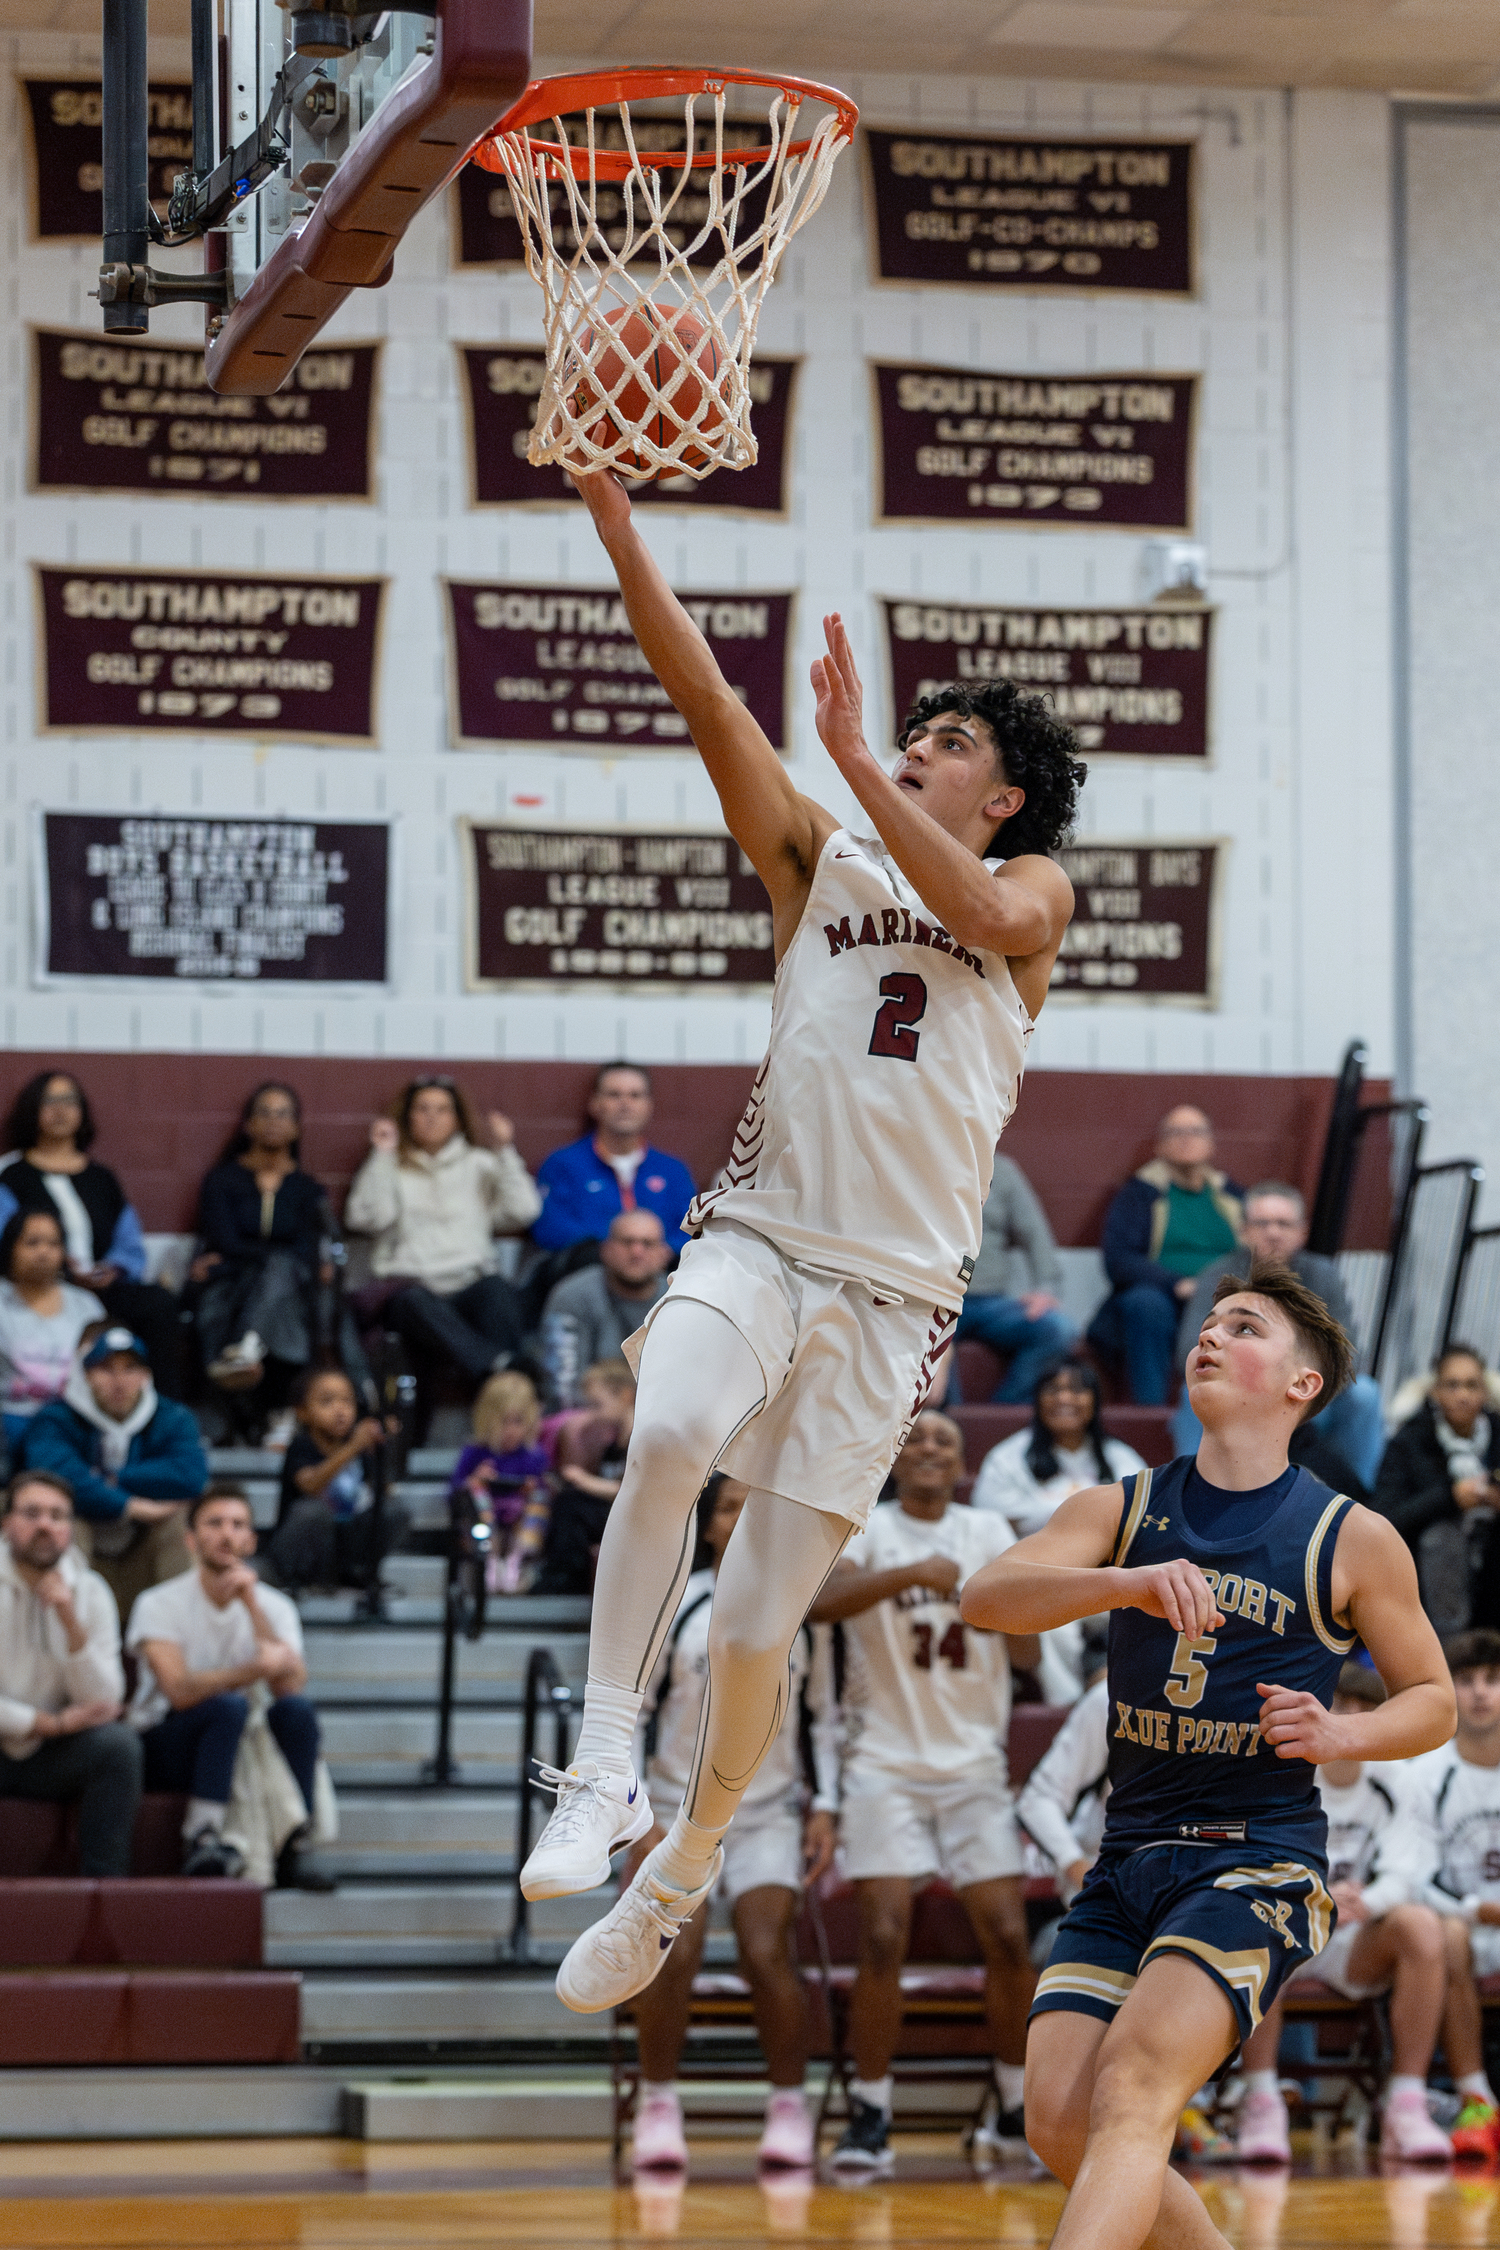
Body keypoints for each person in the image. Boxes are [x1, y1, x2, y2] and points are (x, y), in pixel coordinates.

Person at [517, 466, 1081, 2023]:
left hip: (894, 1296)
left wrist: (858, 763)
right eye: (909, 735)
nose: (913, 747)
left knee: (760, 1623)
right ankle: (605, 1752)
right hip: (761, 1232)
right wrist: (618, 527)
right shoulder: (816, 857)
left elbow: (985, 906)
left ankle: (681, 1869)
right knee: (675, 1426)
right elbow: (703, 694)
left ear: (1005, 788)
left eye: (947, 743)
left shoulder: (1030, 889)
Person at [959, 1258, 1454, 2250]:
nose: (1212, 1336)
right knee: (1060, 2120)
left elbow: (1435, 1700)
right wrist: (1121, 1586)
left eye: (1245, 1326)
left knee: (1136, 2087)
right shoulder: (1123, 1506)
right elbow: (986, 1596)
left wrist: (1341, 1732)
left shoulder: (1349, 1537)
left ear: (1302, 1383)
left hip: (1257, 1856)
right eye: (1209, 1323)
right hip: (1127, 1856)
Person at [807, 1411, 1041, 2171]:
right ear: (895, 1458)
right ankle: (870, 2116)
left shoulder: (989, 1530)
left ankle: (1017, 2109)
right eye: (916, 1439)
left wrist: (990, 1593)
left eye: (945, 1439)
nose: (931, 1447)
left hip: (974, 1762)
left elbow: (1030, 1646)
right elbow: (817, 1602)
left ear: (964, 1460)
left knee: (1007, 1933)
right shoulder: (867, 1527)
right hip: (884, 1760)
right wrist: (914, 1573)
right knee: (881, 1938)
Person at [625, 1474, 839, 2176]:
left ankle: (787, 2106)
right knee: (673, 1955)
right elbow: (629, 1712)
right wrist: (638, 1816)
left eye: (757, 1508)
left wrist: (827, 1805)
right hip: (675, 1815)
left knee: (764, 1949)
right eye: (729, 1506)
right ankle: (656, 2103)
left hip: (768, 1813)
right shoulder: (675, 1606)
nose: (743, 1518)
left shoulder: (801, 1609)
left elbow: (823, 1719)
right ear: (709, 1524)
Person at [1232, 1663, 1451, 2163]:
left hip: (1355, 1935)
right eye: (1337, 1704)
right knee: (1257, 1925)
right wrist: (1321, 1899)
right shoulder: (1283, 1767)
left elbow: (1409, 1867)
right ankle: (1261, 2099)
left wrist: (1369, 1901)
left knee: (1421, 1926)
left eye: (1361, 1709)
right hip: (1289, 1924)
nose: (1346, 1717)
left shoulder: (1397, 1776)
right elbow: (1257, 1859)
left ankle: (1406, 2102)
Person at [127, 1484, 330, 1888]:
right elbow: (180, 1692)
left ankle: (295, 1843)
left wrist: (251, 1606)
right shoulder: (158, 1603)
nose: (226, 1534)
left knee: (296, 1714)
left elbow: (291, 1686)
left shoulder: (274, 1606)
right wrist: (252, 1669)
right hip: (166, 1739)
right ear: (191, 1539)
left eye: (238, 1525)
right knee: (227, 1708)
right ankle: (202, 1836)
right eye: (214, 1523)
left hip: (242, 1735)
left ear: (251, 1540)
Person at [1171, 1183, 1386, 1493]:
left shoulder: (1323, 1275)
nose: (1273, 1233)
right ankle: (1190, 1492)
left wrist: (1296, 1384)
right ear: (1244, 1231)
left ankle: (1359, 1500)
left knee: (1364, 1393)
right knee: (1192, 1394)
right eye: (1263, 1223)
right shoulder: (1218, 1275)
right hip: (1238, 1390)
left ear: (1302, 1232)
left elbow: (1348, 1351)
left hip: (1307, 1394)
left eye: (1284, 1224)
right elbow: (1187, 1351)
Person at [343, 1076, 542, 1391]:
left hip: (466, 1287)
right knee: (412, 1301)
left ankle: (502, 1388)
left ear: (457, 1118)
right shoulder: (389, 1165)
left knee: (497, 1291)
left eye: (442, 1109)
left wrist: (504, 1151)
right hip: (411, 1292)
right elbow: (367, 1218)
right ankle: (502, 1369)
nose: (432, 1117)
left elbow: (524, 1210)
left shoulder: (480, 1164)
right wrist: (382, 1155)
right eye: (422, 1109)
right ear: (407, 1117)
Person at [0, 1070, 185, 1397]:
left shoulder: (102, 1178)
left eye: (69, 1101)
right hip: (45, 1285)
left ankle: (164, 1412)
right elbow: (7, 1242)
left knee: (159, 1305)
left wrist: (112, 1269)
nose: (60, 1110)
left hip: (103, 1285)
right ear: (32, 1111)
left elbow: (130, 1244)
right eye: (50, 1101)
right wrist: (59, 1266)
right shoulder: (12, 1176)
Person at [971, 1360, 1146, 1702]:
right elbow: (991, 1526)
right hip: (1042, 1585)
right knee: (1051, 1619)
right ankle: (1063, 1705)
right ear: (1037, 1399)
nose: (1064, 1397)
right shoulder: (1008, 1459)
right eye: (1053, 1390)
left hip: (1111, 1585)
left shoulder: (1121, 1458)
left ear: (1095, 1400)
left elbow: (1144, 1520)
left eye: (1077, 1389)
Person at [0, 1469, 142, 1876]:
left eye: (57, 1516)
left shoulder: (91, 1592)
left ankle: (106, 1896)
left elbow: (104, 1700)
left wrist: (69, 1620)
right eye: (31, 1513)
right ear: (7, 1523)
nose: (45, 1525)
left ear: (71, 1528)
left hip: (52, 1757)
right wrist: (48, 1723)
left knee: (118, 1748)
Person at [23, 1328, 208, 1619]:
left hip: (141, 1550)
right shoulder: (55, 1418)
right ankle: (65, 1632)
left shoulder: (172, 1417)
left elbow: (191, 1475)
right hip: (83, 1541)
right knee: (57, 1516)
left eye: (130, 1368)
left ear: (145, 1376)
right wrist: (130, 1505)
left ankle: (175, 1638)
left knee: (177, 1521)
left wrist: (114, 1477)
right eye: (106, 1369)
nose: (119, 1381)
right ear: (85, 1375)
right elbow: (56, 1479)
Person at [1403, 1628, 1500, 2159]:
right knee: (1447, 1934)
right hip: (1466, 1924)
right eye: (1466, 1681)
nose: (1481, 1693)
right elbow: (1416, 1874)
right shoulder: (1425, 1774)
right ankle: (1476, 2099)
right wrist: (1475, 1909)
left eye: (1493, 1680)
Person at [1087, 1107, 1245, 1405]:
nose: (1186, 1140)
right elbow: (1119, 1260)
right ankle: (1150, 1411)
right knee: (1144, 1304)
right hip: (1165, 1298)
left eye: (1196, 1132)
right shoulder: (1139, 1193)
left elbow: (1257, 1251)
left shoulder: (1232, 1196)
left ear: (1211, 1144)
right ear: (1160, 1145)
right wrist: (1177, 1284)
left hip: (1226, 1295)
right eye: (1176, 1133)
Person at [193, 1084, 326, 1396]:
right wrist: (275, 1255)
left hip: (290, 1282)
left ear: (295, 1128)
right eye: (264, 1113)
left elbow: (308, 1249)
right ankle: (269, 1404)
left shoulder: (308, 1189)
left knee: (287, 1280)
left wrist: (274, 1257)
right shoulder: (222, 1180)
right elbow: (225, 1241)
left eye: (283, 1114)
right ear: (248, 1124)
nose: (273, 1121)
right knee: (279, 1267)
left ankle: (247, 1350)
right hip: (233, 1277)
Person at [1374, 1344, 1500, 1636]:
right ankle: (1448, 1649)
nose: (1463, 1395)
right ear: (1435, 1392)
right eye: (1452, 1385)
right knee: (1443, 1536)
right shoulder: (1409, 1441)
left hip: (1489, 1557)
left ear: (1484, 1392)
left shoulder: (1497, 1435)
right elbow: (1383, 1519)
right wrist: (1452, 1498)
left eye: (1472, 1385)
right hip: (1424, 1563)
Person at [268, 1367, 408, 1595]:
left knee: (395, 1510)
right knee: (313, 1511)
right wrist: (353, 1447)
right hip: (298, 1550)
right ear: (302, 1412)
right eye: (327, 1402)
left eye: (347, 1401)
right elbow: (310, 1485)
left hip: (343, 1548)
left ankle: (359, 1574)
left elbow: (384, 1493)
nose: (340, 1409)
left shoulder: (361, 1449)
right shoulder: (301, 1446)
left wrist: (384, 1450)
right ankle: (305, 1582)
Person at [533, 1064, 697, 1258]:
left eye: (635, 1095)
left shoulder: (673, 1171)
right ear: (595, 1103)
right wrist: (612, 1251)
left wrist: (660, 1252)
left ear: (649, 1105)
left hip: (663, 1276)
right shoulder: (562, 1165)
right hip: (588, 1270)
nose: (625, 1104)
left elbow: (692, 1229)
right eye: (614, 1095)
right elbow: (549, 1228)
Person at [951, 1154, 1076, 1403]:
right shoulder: (915, 1161)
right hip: (932, 1300)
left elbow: (1034, 1232)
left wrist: (1046, 1289)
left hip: (991, 1301)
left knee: (1058, 1330)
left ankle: (997, 1420)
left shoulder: (1002, 1169)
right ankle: (947, 1425)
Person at [0, 1209, 104, 1457]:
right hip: (10, 1418)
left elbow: (100, 1366)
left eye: (53, 1243)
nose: (43, 1251)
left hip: (73, 1417)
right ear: (10, 1248)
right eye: (32, 1242)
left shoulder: (86, 1305)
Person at [540, 1210, 671, 1403]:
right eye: (627, 1242)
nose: (637, 1252)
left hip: (663, 1415)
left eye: (647, 1244)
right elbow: (562, 1387)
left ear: (664, 1254)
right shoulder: (572, 1295)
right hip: (589, 1415)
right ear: (606, 1250)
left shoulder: (679, 1298)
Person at [532, 1360, 636, 1598]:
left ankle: (565, 1576)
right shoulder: (613, 1443)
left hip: (633, 1515)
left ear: (625, 1396)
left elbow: (634, 1491)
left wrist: (583, 1480)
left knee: (572, 1505)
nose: (591, 1412)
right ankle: (559, 1570)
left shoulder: (640, 1436)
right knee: (566, 1500)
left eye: (597, 1404)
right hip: (617, 1511)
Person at [448, 1371, 552, 1593]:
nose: (511, 1430)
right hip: (483, 1526)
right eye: (504, 1422)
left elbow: (543, 1489)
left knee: (541, 1496)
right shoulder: (474, 1452)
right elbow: (453, 1492)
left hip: (519, 1525)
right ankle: (489, 1559)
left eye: (518, 1422)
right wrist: (476, 1479)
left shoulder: (534, 1456)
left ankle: (518, 1560)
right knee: (472, 1491)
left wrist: (530, 1487)